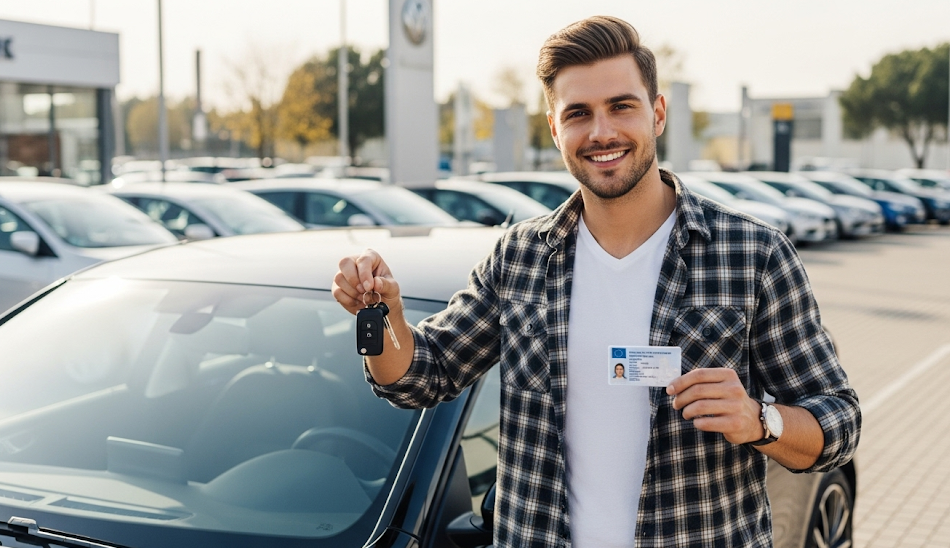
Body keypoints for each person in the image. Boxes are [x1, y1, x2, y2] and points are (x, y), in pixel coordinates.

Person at [332, 15, 860, 548]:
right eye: (579, 113)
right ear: (555, 128)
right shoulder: (519, 258)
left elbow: (838, 421)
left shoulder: (752, 254)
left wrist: (758, 419)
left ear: (657, 113)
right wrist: (386, 317)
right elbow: (423, 375)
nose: (602, 132)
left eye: (621, 106)